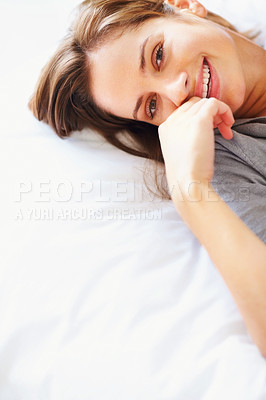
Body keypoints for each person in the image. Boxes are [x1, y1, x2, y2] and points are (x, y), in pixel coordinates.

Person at [29, 0, 266, 356]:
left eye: (157, 55)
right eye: (152, 106)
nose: (175, 90)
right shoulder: (231, 163)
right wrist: (190, 192)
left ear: (185, 7)